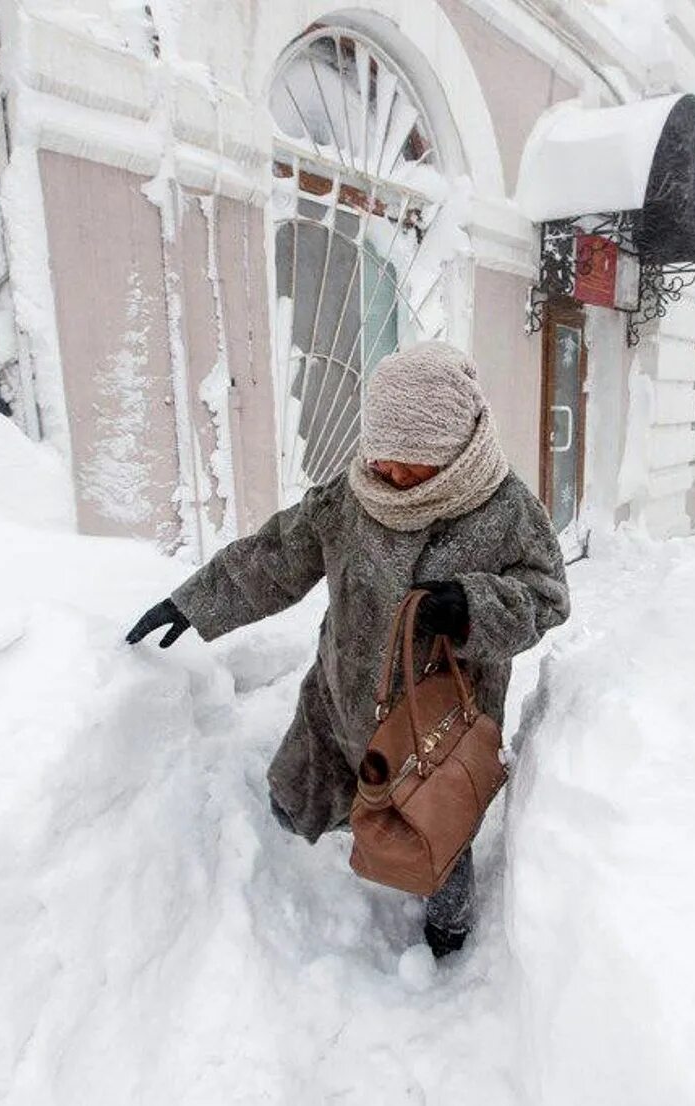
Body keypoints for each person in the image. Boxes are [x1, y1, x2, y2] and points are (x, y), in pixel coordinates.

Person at [125, 341, 570, 958]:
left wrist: (475, 606)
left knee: (437, 823)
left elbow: (546, 596)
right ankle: (315, 838)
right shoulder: (354, 494)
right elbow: (278, 556)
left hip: (438, 720)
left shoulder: (506, 508)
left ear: (451, 449)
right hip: (344, 697)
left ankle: (447, 920)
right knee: (298, 798)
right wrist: (194, 603)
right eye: (381, 457)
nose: (388, 474)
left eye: (407, 464)